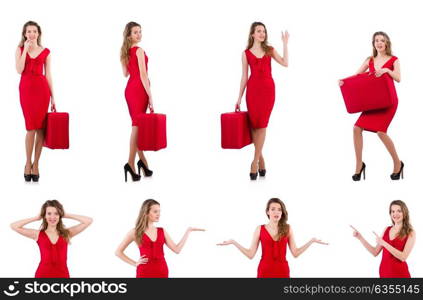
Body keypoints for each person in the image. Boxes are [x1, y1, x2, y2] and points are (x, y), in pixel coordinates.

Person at [339, 32, 403, 181]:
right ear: (373, 44)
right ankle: (359, 164)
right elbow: (356, 77)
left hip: (389, 101)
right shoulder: (370, 60)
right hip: (374, 102)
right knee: (356, 128)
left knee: (381, 132)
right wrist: (344, 82)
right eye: (376, 41)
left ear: (387, 43)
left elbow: (398, 78)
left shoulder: (394, 59)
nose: (379, 43)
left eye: (382, 40)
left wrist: (387, 70)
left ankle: (397, 163)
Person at [217, 198, 327, 277]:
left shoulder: (288, 228)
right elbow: (250, 254)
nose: (276, 212)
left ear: (282, 212)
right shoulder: (259, 229)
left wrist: (311, 241)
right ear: (268, 212)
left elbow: (295, 253)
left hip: (282, 272)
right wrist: (233, 242)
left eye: (279, 209)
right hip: (264, 271)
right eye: (273, 209)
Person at [235, 22, 289, 180]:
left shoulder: (269, 50)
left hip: (267, 91)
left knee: (262, 125)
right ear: (252, 34)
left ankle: (254, 162)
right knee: (253, 126)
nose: (262, 34)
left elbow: (285, 63)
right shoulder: (245, 53)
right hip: (252, 92)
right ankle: (262, 160)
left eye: (264, 31)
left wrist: (285, 44)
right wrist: (238, 97)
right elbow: (244, 76)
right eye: (259, 31)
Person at [115, 199, 205, 277]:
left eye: (159, 211)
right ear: (146, 213)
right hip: (144, 272)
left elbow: (177, 250)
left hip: (162, 271)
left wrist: (188, 231)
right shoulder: (135, 232)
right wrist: (135, 264)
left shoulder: (162, 231)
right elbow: (118, 252)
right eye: (155, 211)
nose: (158, 214)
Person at [15, 21, 56, 182]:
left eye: (34, 31)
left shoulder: (46, 52)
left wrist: (53, 96)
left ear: (39, 33)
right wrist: (25, 49)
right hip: (26, 90)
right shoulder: (19, 49)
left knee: (41, 129)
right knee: (30, 128)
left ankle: (36, 164)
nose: (31, 34)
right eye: (28, 31)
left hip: (42, 91)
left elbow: (49, 75)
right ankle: (27, 163)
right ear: (24, 34)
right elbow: (19, 70)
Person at [10, 200, 93, 277]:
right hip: (42, 276)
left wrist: (65, 215)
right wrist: (36, 218)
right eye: (49, 213)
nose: (52, 217)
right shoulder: (37, 234)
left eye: (56, 213)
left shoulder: (67, 233)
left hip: (63, 276)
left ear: (60, 216)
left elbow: (88, 221)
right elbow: (14, 226)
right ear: (44, 216)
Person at [120, 21, 154, 182]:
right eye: (135, 32)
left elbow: (125, 74)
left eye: (140, 31)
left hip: (129, 89)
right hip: (139, 89)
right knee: (136, 126)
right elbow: (143, 74)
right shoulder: (139, 50)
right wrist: (151, 96)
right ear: (129, 35)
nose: (139, 34)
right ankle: (130, 163)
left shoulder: (125, 52)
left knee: (137, 126)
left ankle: (143, 163)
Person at [350, 200, 415, 278]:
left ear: (404, 213)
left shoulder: (410, 232)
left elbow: (403, 257)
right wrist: (360, 238)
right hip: (384, 274)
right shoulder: (386, 229)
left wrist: (384, 243)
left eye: (399, 211)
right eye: (392, 211)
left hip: (400, 275)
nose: (395, 214)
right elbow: (375, 252)